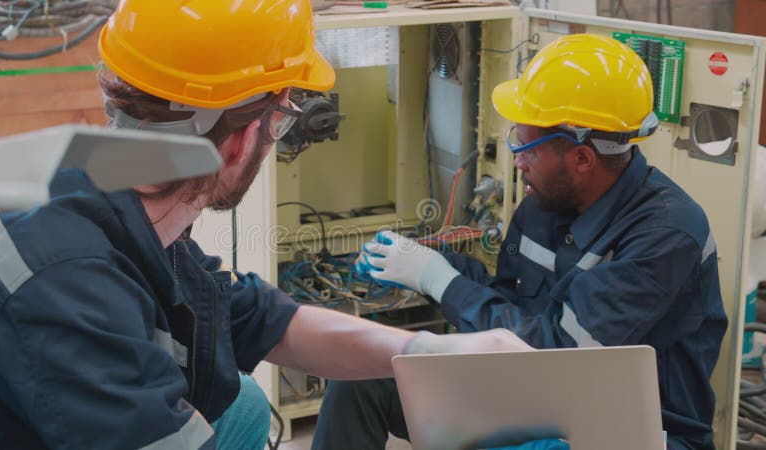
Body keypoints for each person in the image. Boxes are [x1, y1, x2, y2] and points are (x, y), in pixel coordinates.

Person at [0, 1, 535, 449]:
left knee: (237, 404)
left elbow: (257, 318)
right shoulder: (67, 291)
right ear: (240, 141)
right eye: (283, 121)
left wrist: (425, 352)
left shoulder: (112, 192)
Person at [312, 34, 727, 450]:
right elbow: (512, 311)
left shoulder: (667, 235)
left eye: (527, 147)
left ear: (583, 159)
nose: (517, 159)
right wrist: (433, 266)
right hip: (530, 398)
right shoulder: (542, 206)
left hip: (633, 433)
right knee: (361, 377)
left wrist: (440, 281)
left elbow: (554, 354)